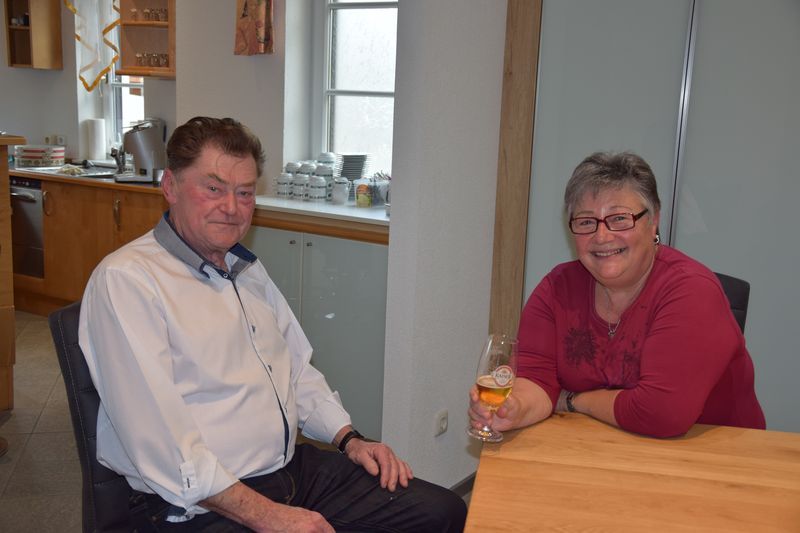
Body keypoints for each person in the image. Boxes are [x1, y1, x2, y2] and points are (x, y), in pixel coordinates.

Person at [79, 116, 466, 532]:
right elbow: (164, 446)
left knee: (441, 512)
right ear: (170, 186)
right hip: (195, 505)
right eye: (213, 188)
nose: (231, 208)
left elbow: (295, 370)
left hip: (288, 472)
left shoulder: (245, 269)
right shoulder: (128, 281)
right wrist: (268, 516)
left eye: (244, 193)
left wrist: (350, 439)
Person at [469, 151, 765, 439]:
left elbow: (661, 413)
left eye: (620, 218)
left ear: (653, 222)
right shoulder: (556, 289)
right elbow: (536, 381)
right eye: (586, 221)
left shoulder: (691, 290)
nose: (602, 236)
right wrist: (512, 408)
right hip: (607, 449)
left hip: (720, 460)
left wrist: (573, 400)